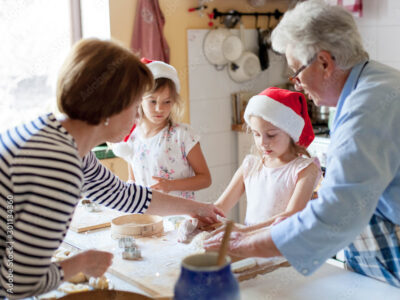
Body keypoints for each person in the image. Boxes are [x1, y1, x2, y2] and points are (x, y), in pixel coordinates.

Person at [0, 38, 223, 299]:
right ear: (110, 106)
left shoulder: (58, 136)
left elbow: (122, 194)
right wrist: (81, 264)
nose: (138, 116)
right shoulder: (58, 165)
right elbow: (17, 282)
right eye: (135, 105)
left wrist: (196, 208)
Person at [205, 0, 400, 287]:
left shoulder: (365, 110)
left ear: (324, 62)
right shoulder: (375, 81)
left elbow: (335, 216)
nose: (296, 83)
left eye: (296, 71)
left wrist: (241, 246)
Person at [214, 87, 321, 229]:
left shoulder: (305, 169)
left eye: (271, 135)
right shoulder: (251, 165)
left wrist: (245, 232)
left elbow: (290, 216)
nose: (262, 143)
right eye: (256, 134)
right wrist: (198, 219)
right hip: (251, 244)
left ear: (291, 133)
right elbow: (220, 207)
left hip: (285, 248)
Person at [112, 59, 211, 200]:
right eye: (153, 101)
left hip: (180, 216)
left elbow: (205, 179)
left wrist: (171, 185)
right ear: (140, 99)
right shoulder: (132, 137)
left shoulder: (183, 135)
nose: (160, 109)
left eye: (167, 102)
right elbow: (133, 179)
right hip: (148, 215)